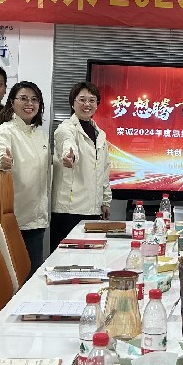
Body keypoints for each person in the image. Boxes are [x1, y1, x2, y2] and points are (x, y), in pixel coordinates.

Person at [0, 81, 50, 277]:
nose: (29, 103)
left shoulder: (40, 134)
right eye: (23, 98)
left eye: (34, 99)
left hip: (37, 218)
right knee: (14, 276)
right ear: (12, 102)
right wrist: (1, 160)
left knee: (33, 274)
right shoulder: (5, 131)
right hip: (14, 218)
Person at [51, 81, 111, 250]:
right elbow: (68, 144)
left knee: (90, 258)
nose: (87, 104)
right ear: (73, 103)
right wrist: (69, 156)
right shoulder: (65, 128)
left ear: (97, 104)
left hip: (93, 209)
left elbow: (104, 169)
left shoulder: (100, 134)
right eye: (82, 100)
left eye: (92, 100)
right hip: (69, 210)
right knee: (65, 259)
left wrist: (105, 201)